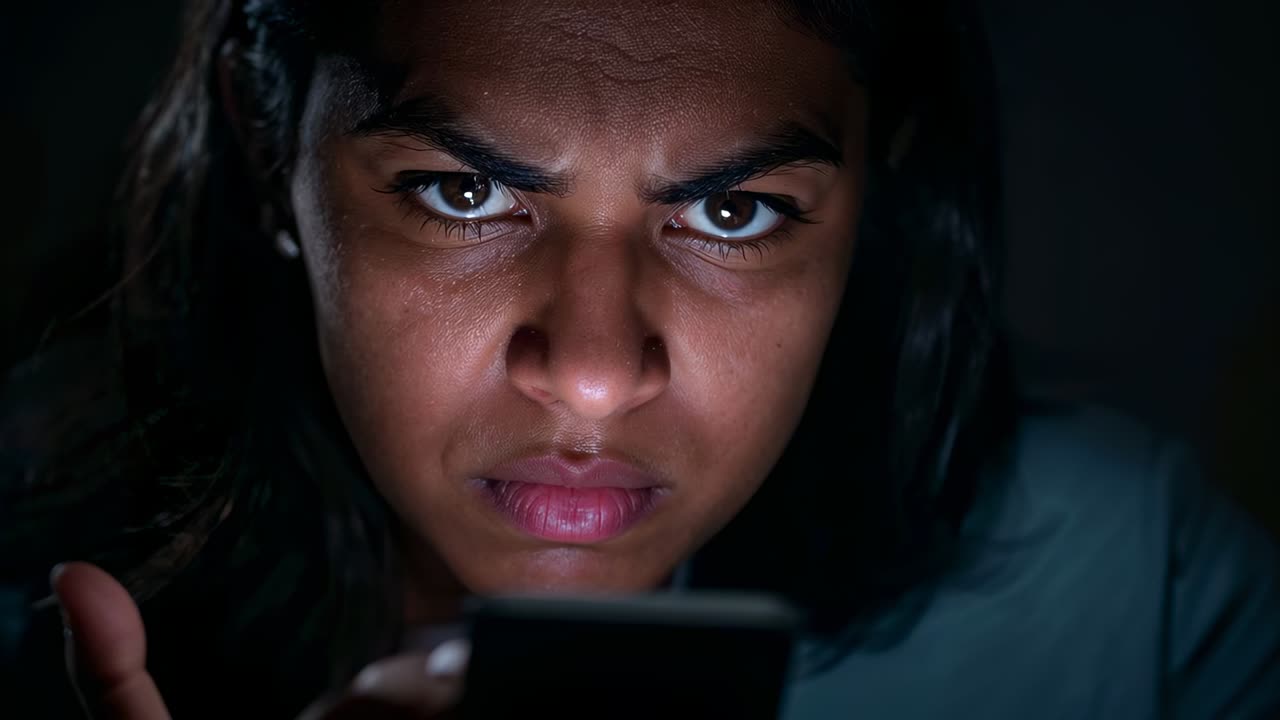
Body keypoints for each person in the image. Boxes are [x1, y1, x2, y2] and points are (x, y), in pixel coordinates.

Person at [1, 0, 1277, 717]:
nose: (594, 376)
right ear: (266, 141)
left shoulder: (1138, 609)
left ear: (877, 179)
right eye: (460, 193)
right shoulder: (26, 614)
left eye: (733, 211)